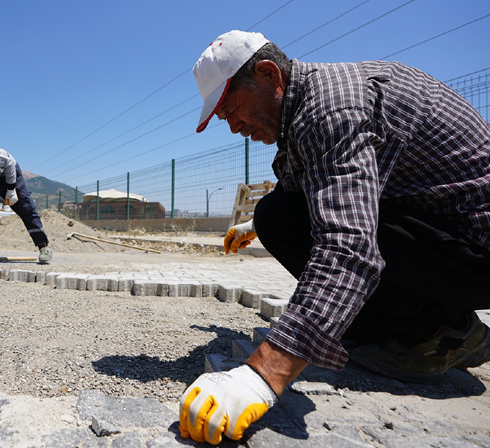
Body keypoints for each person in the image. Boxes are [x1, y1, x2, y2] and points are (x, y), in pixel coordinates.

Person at [179, 30, 490, 445]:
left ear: (270, 75)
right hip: (442, 239)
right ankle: (396, 326)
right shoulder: (304, 109)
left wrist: (262, 375)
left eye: (233, 109)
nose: (234, 127)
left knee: (307, 227)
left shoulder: (331, 107)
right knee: (276, 215)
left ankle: (444, 331)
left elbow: (348, 246)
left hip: (476, 249)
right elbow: (314, 192)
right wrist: (257, 225)